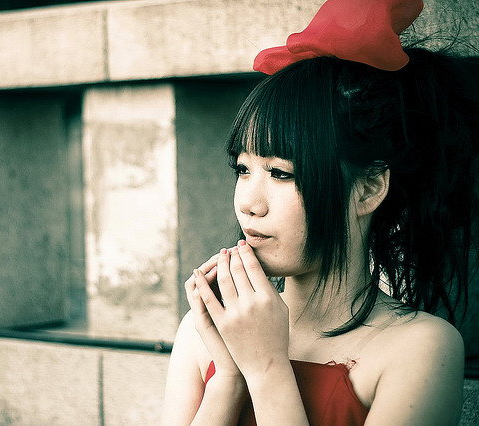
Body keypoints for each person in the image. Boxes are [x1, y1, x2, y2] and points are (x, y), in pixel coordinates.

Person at [161, 0, 478, 424]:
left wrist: (267, 369)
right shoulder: (204, 330)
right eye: (243, 169)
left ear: (368, 189)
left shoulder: (419, 347)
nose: (249, 204)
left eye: (281, 173)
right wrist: (228, 378)